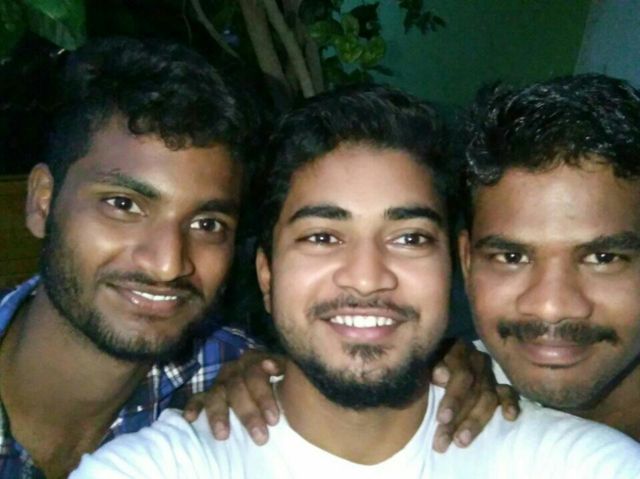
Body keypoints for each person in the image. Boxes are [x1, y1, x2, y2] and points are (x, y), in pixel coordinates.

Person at [71, 85, 640, 478]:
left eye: (409, 238)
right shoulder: (155, 466)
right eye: (322, 236)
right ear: (266, 274)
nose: (367, 278)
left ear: (452, 266)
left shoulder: (585, 462)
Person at [0, 36, 259, 478]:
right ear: (43, 203)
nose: (168, 264)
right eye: (123, 205)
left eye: (207, 224)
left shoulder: (238, 385)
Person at [459, 73, 640, 441]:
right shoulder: (447, 400)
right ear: (467, 262)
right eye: (511, 257)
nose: (551, 308)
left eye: (603, 258)